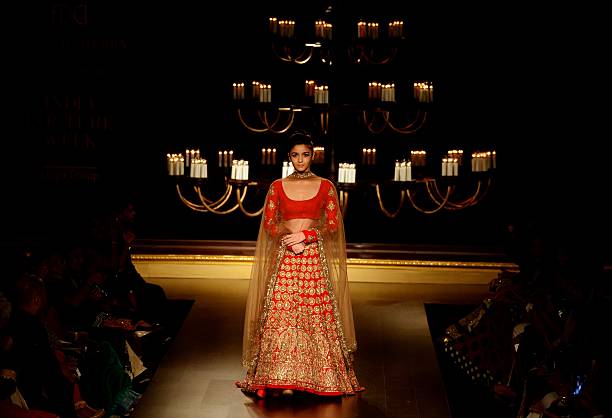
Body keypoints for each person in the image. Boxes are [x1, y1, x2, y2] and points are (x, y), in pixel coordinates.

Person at [237, 131, 363, 397]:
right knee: (281, 314)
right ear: (289, 157)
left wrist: (306, 236)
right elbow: (269, 223)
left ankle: (320, 377)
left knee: (315, 316)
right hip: (286, 259)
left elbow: (333, 225)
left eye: (305, 154)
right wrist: (288, 238)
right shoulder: (277, 186)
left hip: (313, 260)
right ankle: (273, 377)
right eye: (295, 155)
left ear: (313, 155)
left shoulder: (326, 186)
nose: (300, 160)